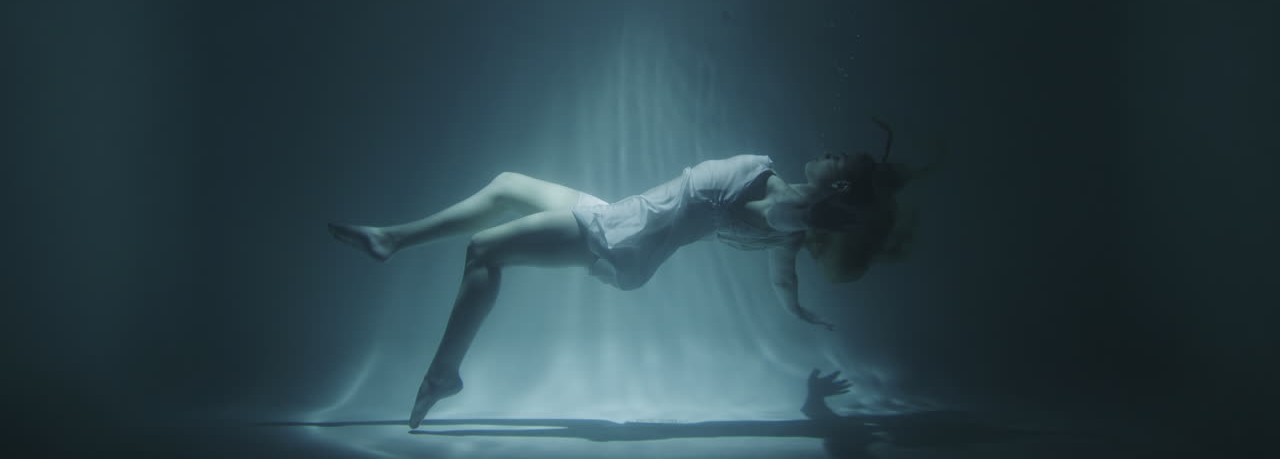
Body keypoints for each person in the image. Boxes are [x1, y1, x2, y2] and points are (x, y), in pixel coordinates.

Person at [328, 119, 934, 428]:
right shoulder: (790, 220)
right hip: (621, 218)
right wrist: (801, 338)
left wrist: (860, 199)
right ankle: (392, 239)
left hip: (620, 241)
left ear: (841, 186)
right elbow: (783, 280)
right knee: (509, 184)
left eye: (842, 160)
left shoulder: (783, 207)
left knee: (486, 250)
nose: (832, 152)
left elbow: (795, 228)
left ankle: (443, 374)